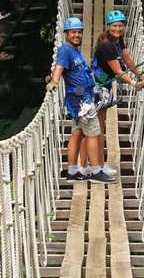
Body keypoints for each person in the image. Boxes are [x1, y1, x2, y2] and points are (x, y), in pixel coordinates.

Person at [45, 17, 115, 184]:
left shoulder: (76, 52)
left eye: (79, 32)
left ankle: (72, 171)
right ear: (66, 34)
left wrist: (109, 78)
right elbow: (59, 68)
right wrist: (54, 81)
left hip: (82, 98)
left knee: (77, 133)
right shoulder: (65, 51)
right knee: (93, 133)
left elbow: (89, 71)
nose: (77, 35)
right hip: (81, 101)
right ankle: (96, 172)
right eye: (73, 32)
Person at [82, 9, 144, 176]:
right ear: (108, 26)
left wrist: (140, 74)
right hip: (97, 86)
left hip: (102, 85)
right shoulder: (107, 45)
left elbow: (127, 59)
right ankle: (94, 166)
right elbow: (118, 71)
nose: (118, 29)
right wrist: (135, 83)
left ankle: (96, 165)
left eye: (120, 26)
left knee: (99, 126)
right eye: (115, 26)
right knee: (96, 128)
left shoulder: (118, 41)